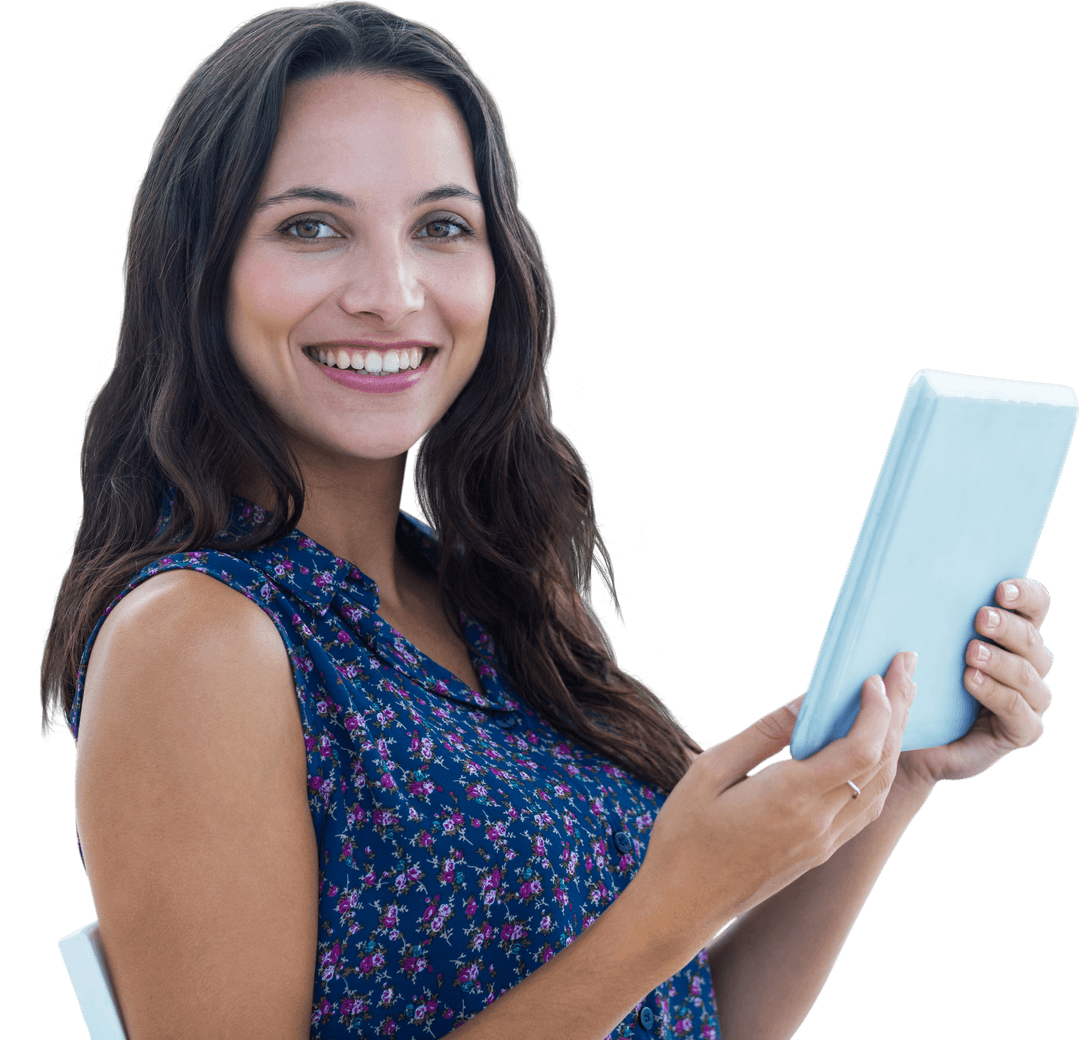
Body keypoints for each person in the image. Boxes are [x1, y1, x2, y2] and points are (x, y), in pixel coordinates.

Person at [38, 3, 1055, 1039]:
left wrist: (895, 775)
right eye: (312, 227)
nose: (392, 294)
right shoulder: (196, 641)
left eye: (442, 227)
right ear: (200, 271)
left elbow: (691, 1020)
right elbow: (647, 954)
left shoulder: (482, 602)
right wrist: (674, 903)